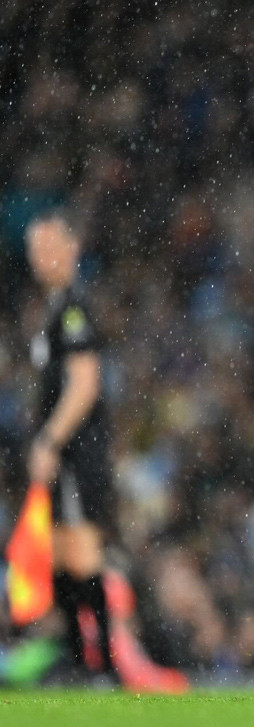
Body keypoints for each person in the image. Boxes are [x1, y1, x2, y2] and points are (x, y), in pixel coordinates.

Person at [24, 210, 118, 683]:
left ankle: (104, 665)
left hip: (80, 451)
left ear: (72, 247)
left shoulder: (74, 308)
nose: (41, 258)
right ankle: (78, 659)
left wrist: (49, 439)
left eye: (49, 247)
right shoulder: (54, 307)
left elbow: (84, 383)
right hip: (66, 453)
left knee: (82, 550)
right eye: (34, 250)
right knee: (60, 551)